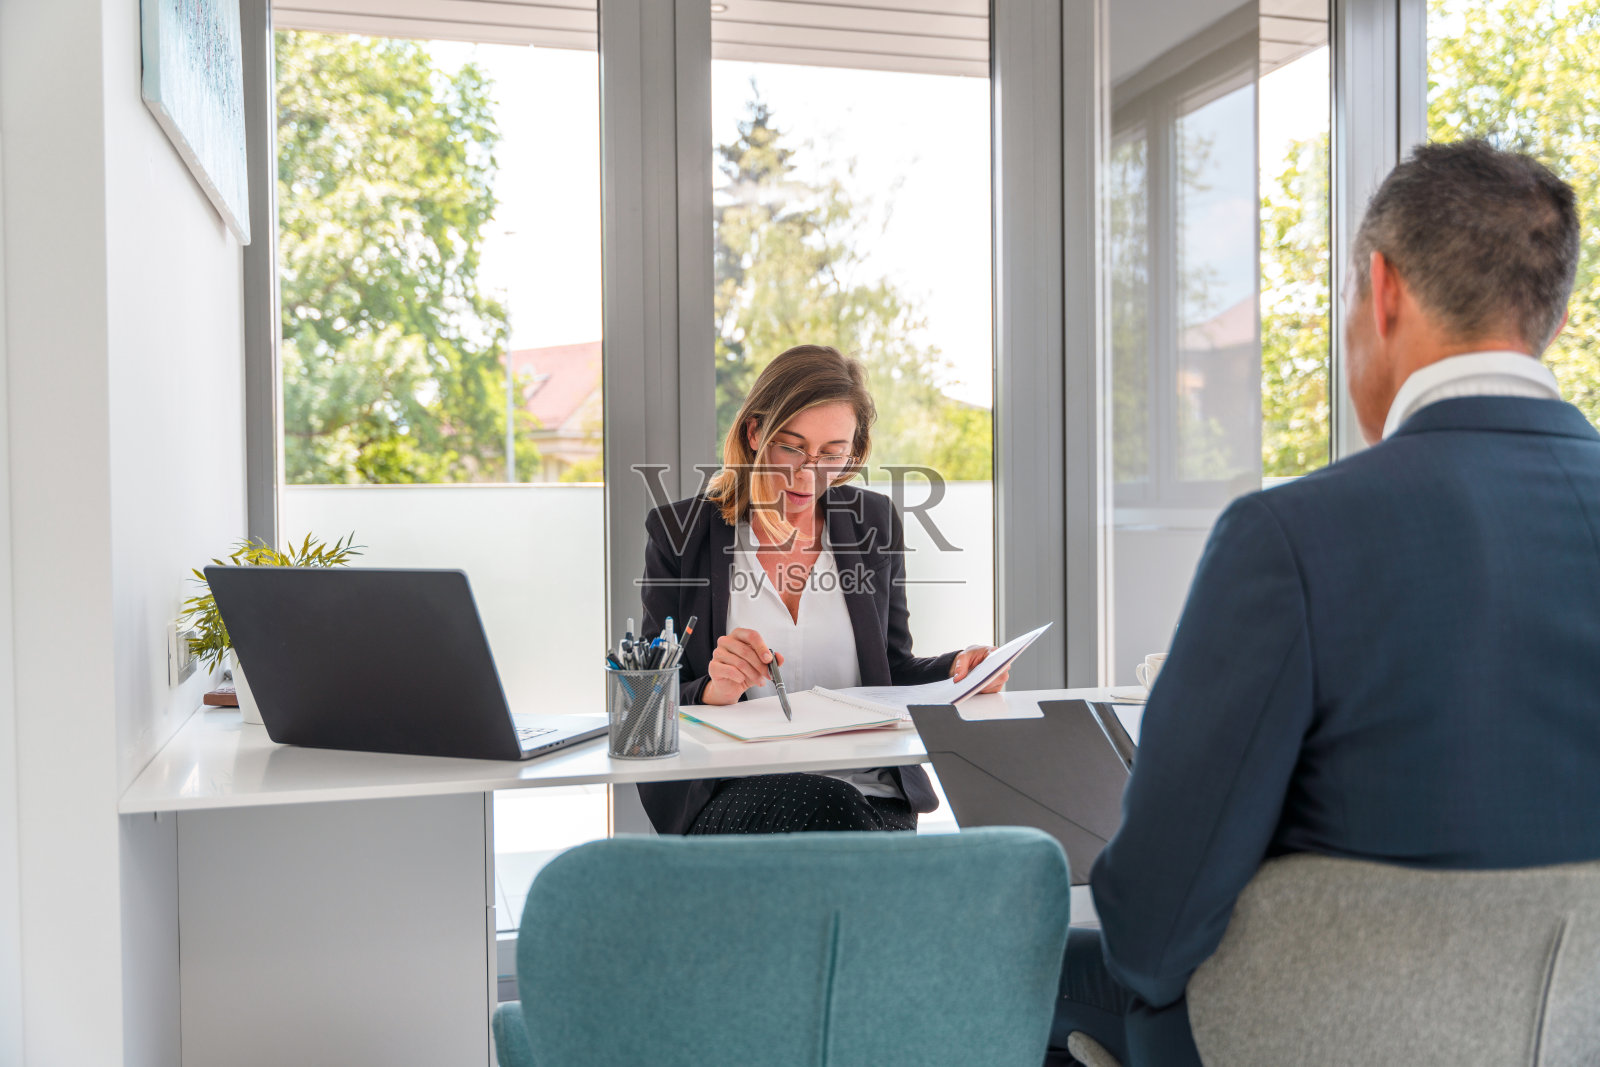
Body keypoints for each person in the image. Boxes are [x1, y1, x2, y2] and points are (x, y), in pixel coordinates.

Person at [1050, 139, 1600, 1065]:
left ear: (1381, 290)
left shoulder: (1290, 537)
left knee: (1035, 965)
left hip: (1304, 1040)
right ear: (1547, 311)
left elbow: (1152, 924)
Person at [636, 343, 1008, 836]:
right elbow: (644, 705)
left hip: (872, 792)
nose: (809, 473)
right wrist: (712, 689)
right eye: (791, 446)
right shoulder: (681, 531)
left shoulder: (872, 521)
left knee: (849, 814)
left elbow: (891, 668)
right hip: (738, 792)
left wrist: (960, 670)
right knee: (834, 811)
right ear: (754, 433)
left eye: (832, 454)